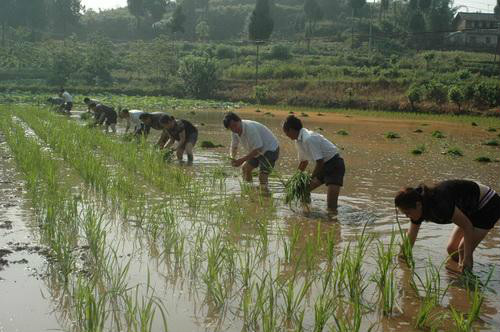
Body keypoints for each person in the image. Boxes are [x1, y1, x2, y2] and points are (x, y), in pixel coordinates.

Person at [394, 180, 500, 272]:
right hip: (469, 208)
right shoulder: (417, 207)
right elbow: (410, 237)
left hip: (488, 204)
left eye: (407, 212)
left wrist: (468, 257)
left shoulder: (440, 204)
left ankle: (468, 281)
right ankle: (461, 280)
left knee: (463, 251)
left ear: (418, 205)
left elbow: (467, 226)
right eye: (404, 213)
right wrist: (401, 259)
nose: (407, 216)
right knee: (452, 250)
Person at [282, 115, 345, 212]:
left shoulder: (309, 138)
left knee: (331, 206)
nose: (286, 135)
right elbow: (303, 162)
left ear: (291, 130)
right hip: (323, 166)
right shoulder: (298, 141)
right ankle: (307, 211)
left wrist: (310, 178)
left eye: (286, 132)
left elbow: (320, 162)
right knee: (304, 191)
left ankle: (332, 221)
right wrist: (293, 181)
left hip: (334, 165)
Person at [223, 112, 279, 191]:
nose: (234, 129)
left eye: (235, 125)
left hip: (270, 149)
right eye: (231, 128)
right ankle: (249, 191)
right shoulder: (234, 132)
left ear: (239, 121)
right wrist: (232, 157)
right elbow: (234, 146)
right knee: (245, 169)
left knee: (262, 175)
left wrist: (242, 160)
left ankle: (264, 196)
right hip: (256, 150)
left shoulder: (250, 128)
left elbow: (258, 149)